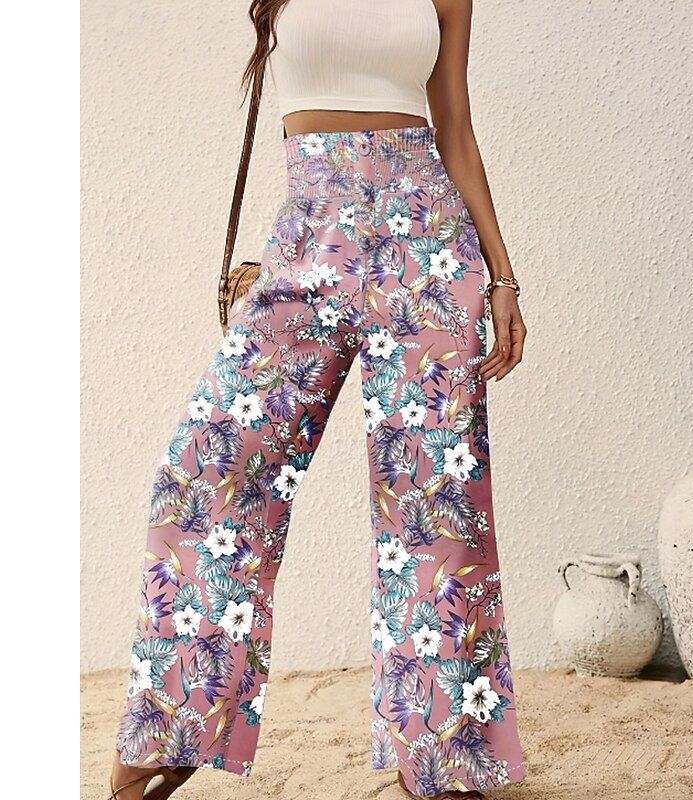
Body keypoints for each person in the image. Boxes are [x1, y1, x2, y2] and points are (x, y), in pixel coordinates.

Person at [108, 1, 528, 798]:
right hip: (310, 235)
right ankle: (174, 728)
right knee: (201, 470)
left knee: (434, 507)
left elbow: (456, 130)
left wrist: (503, 277)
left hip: (428, 245)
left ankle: (439, 755)